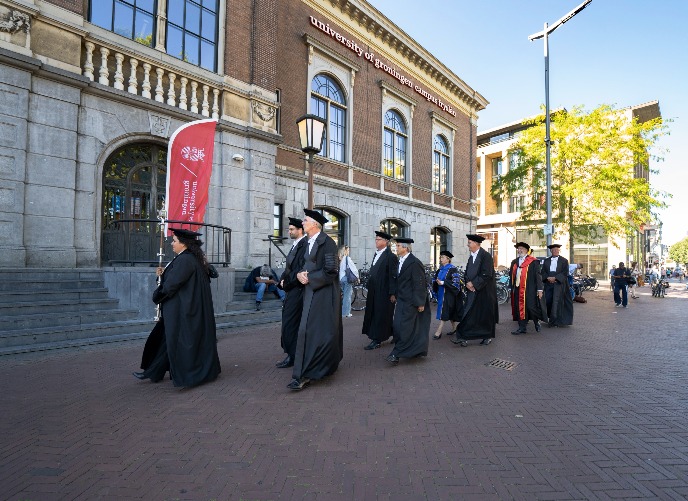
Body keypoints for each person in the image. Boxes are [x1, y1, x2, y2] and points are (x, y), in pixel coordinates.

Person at [134, 228, 221, 387]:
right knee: (166, 341)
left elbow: (172, 284)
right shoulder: (191, 258)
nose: (172, 244)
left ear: (184, 244)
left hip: (182, 310)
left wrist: (157, 295)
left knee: (172, 341)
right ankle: (153, 372)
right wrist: (163, 275)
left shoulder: (185, 260)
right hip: (182, 309)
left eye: (174, 241)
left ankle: (187, 375)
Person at [288, 209, 343, 391]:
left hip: (324, 295)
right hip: (309, 292)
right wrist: (300, 275)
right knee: (307, 330)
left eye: (305, 220)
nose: (302, 223)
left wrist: (309, 277)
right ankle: (304, 371)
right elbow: (301, 266)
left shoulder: (328, 243)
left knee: (317, 331)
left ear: (315, 224)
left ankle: (310, 371)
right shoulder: (306, 242)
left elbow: (331, 271)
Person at [385, 238, 431, 364]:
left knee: (403, 327)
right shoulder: (400, 261)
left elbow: (420, 284)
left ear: (406, 248)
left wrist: (420, 302)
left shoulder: (415, 263)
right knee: (399, 326)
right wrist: (394, 294)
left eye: (398, 246)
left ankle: (396, 354)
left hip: (411, 301)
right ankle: (416, 350)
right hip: (402, 300)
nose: (396, 248)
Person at [452, 234, 498, 347]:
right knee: (467, 312)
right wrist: (468, 282)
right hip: (472, 290)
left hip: (484, 292)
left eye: (469, 242)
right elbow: (467, 272)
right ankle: (463, 337)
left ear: (476, 244)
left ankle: (486, 336)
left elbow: (486, 274)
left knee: (483, 315)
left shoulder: (486, 256)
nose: (468, 245)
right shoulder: (471, 256)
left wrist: (474, 284)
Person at [275, 217, 307, 369]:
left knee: (291, 323)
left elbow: (300, 268)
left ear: (300, 230)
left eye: (292, 229)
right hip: (291, 288)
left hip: (297, 290)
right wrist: (281, 281)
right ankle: (291, 354)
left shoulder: (304, 245)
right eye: (289, 229)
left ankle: (293, 356)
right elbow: (288, 268)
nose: (289, 231)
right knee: (288, 323)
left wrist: (286, 282)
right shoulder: (295, 245)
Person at [361, 230, 398, 350]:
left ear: (386, 242)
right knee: (375, 312)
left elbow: (393, 276)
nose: (376, 241)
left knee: (381, 314)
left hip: (384, 291)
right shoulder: (376, 254)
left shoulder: (391, 257)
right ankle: (394, 333)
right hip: (374, 290)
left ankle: (376, 340)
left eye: (378, 239)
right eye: (376, 239)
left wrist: (393, 293)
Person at [509, 242, 547, 335]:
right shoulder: (515, 262)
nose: (519, 250)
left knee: (531, 307)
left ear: (526, 250)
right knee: (519, 308)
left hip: (530, 288)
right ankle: (522, 327)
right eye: (518, 249)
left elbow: (538, 276)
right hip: (518, 288)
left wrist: (540, 289)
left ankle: (536, 321)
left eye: (521, 248)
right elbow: (511, 275)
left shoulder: (533, 261)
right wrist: (511, 287)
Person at [432, 250, 463, 340]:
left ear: (448, 259)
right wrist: (436, 282)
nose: (441, 259)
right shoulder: (440, 269)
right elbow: (435, 279)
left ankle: (439, 331)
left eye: (442, 257)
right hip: (441, 294)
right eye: (440, 257)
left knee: (444, 311)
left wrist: (443, 282)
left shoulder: (452, 269)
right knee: (450, 312)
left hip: (449, 294)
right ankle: (454, 328)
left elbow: (456, 283)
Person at [541, 243, 574, 327]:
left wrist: (555, 278)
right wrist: (548, 278)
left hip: (559, 285)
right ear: (551, 251)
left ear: (559, 251)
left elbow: (565, 272)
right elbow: (543, 272)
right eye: (553, 250)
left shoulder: (564, 261)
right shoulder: (546, 261)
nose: (555, 251)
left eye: (557, 250)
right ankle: (549, 318)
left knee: (557, 302)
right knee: (548, 301)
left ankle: (555, 321)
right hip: (548, 284)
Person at [339, 245, 359, 318]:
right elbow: (353, 269)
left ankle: (344, 312)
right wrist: (357, 277)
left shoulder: (341, 259)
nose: (349, 251)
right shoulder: (347, 258)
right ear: (346, 251)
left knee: (345, 296)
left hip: (341, 279)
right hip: (347, 279)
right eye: (348, 250)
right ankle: (345, 313)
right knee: (347, 296)